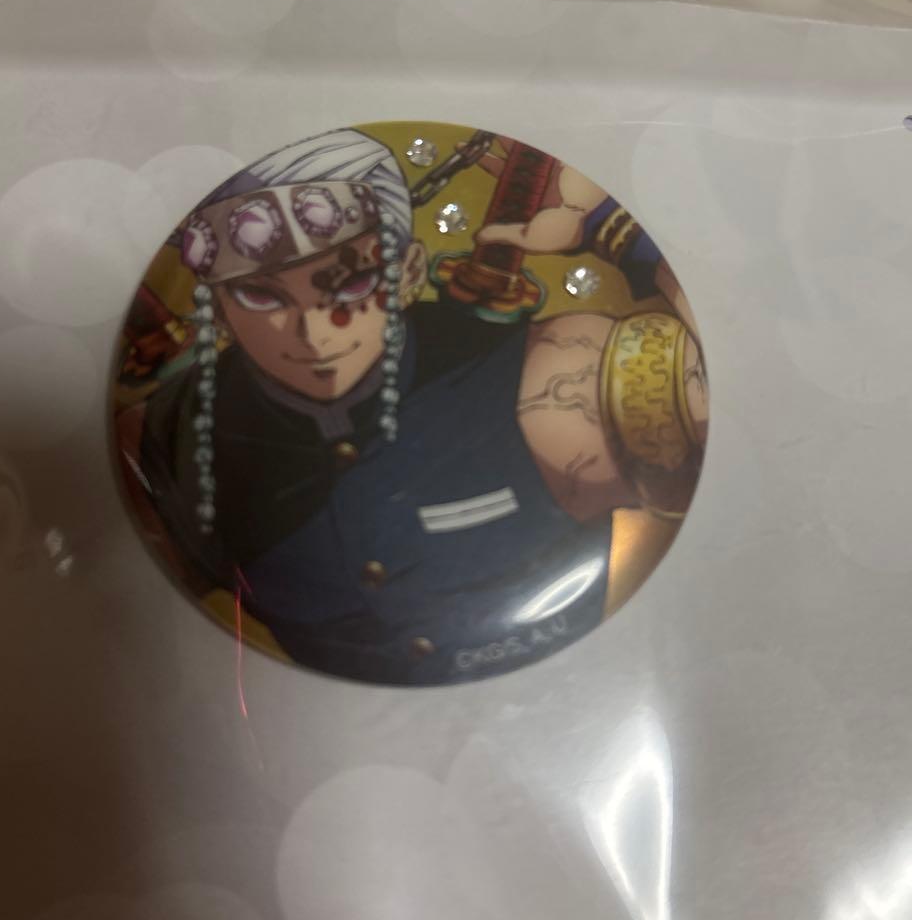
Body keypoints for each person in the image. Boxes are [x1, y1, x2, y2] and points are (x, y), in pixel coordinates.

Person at [115, 127, 707, 685]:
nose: (312, 334)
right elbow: (135, 619)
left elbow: (717, 388)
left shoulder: (548, 370)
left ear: (408, 273)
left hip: (572, 687)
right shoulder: (166, 439)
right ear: (219, 309)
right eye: (260, 295)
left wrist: (615, 231)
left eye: (350, 284)